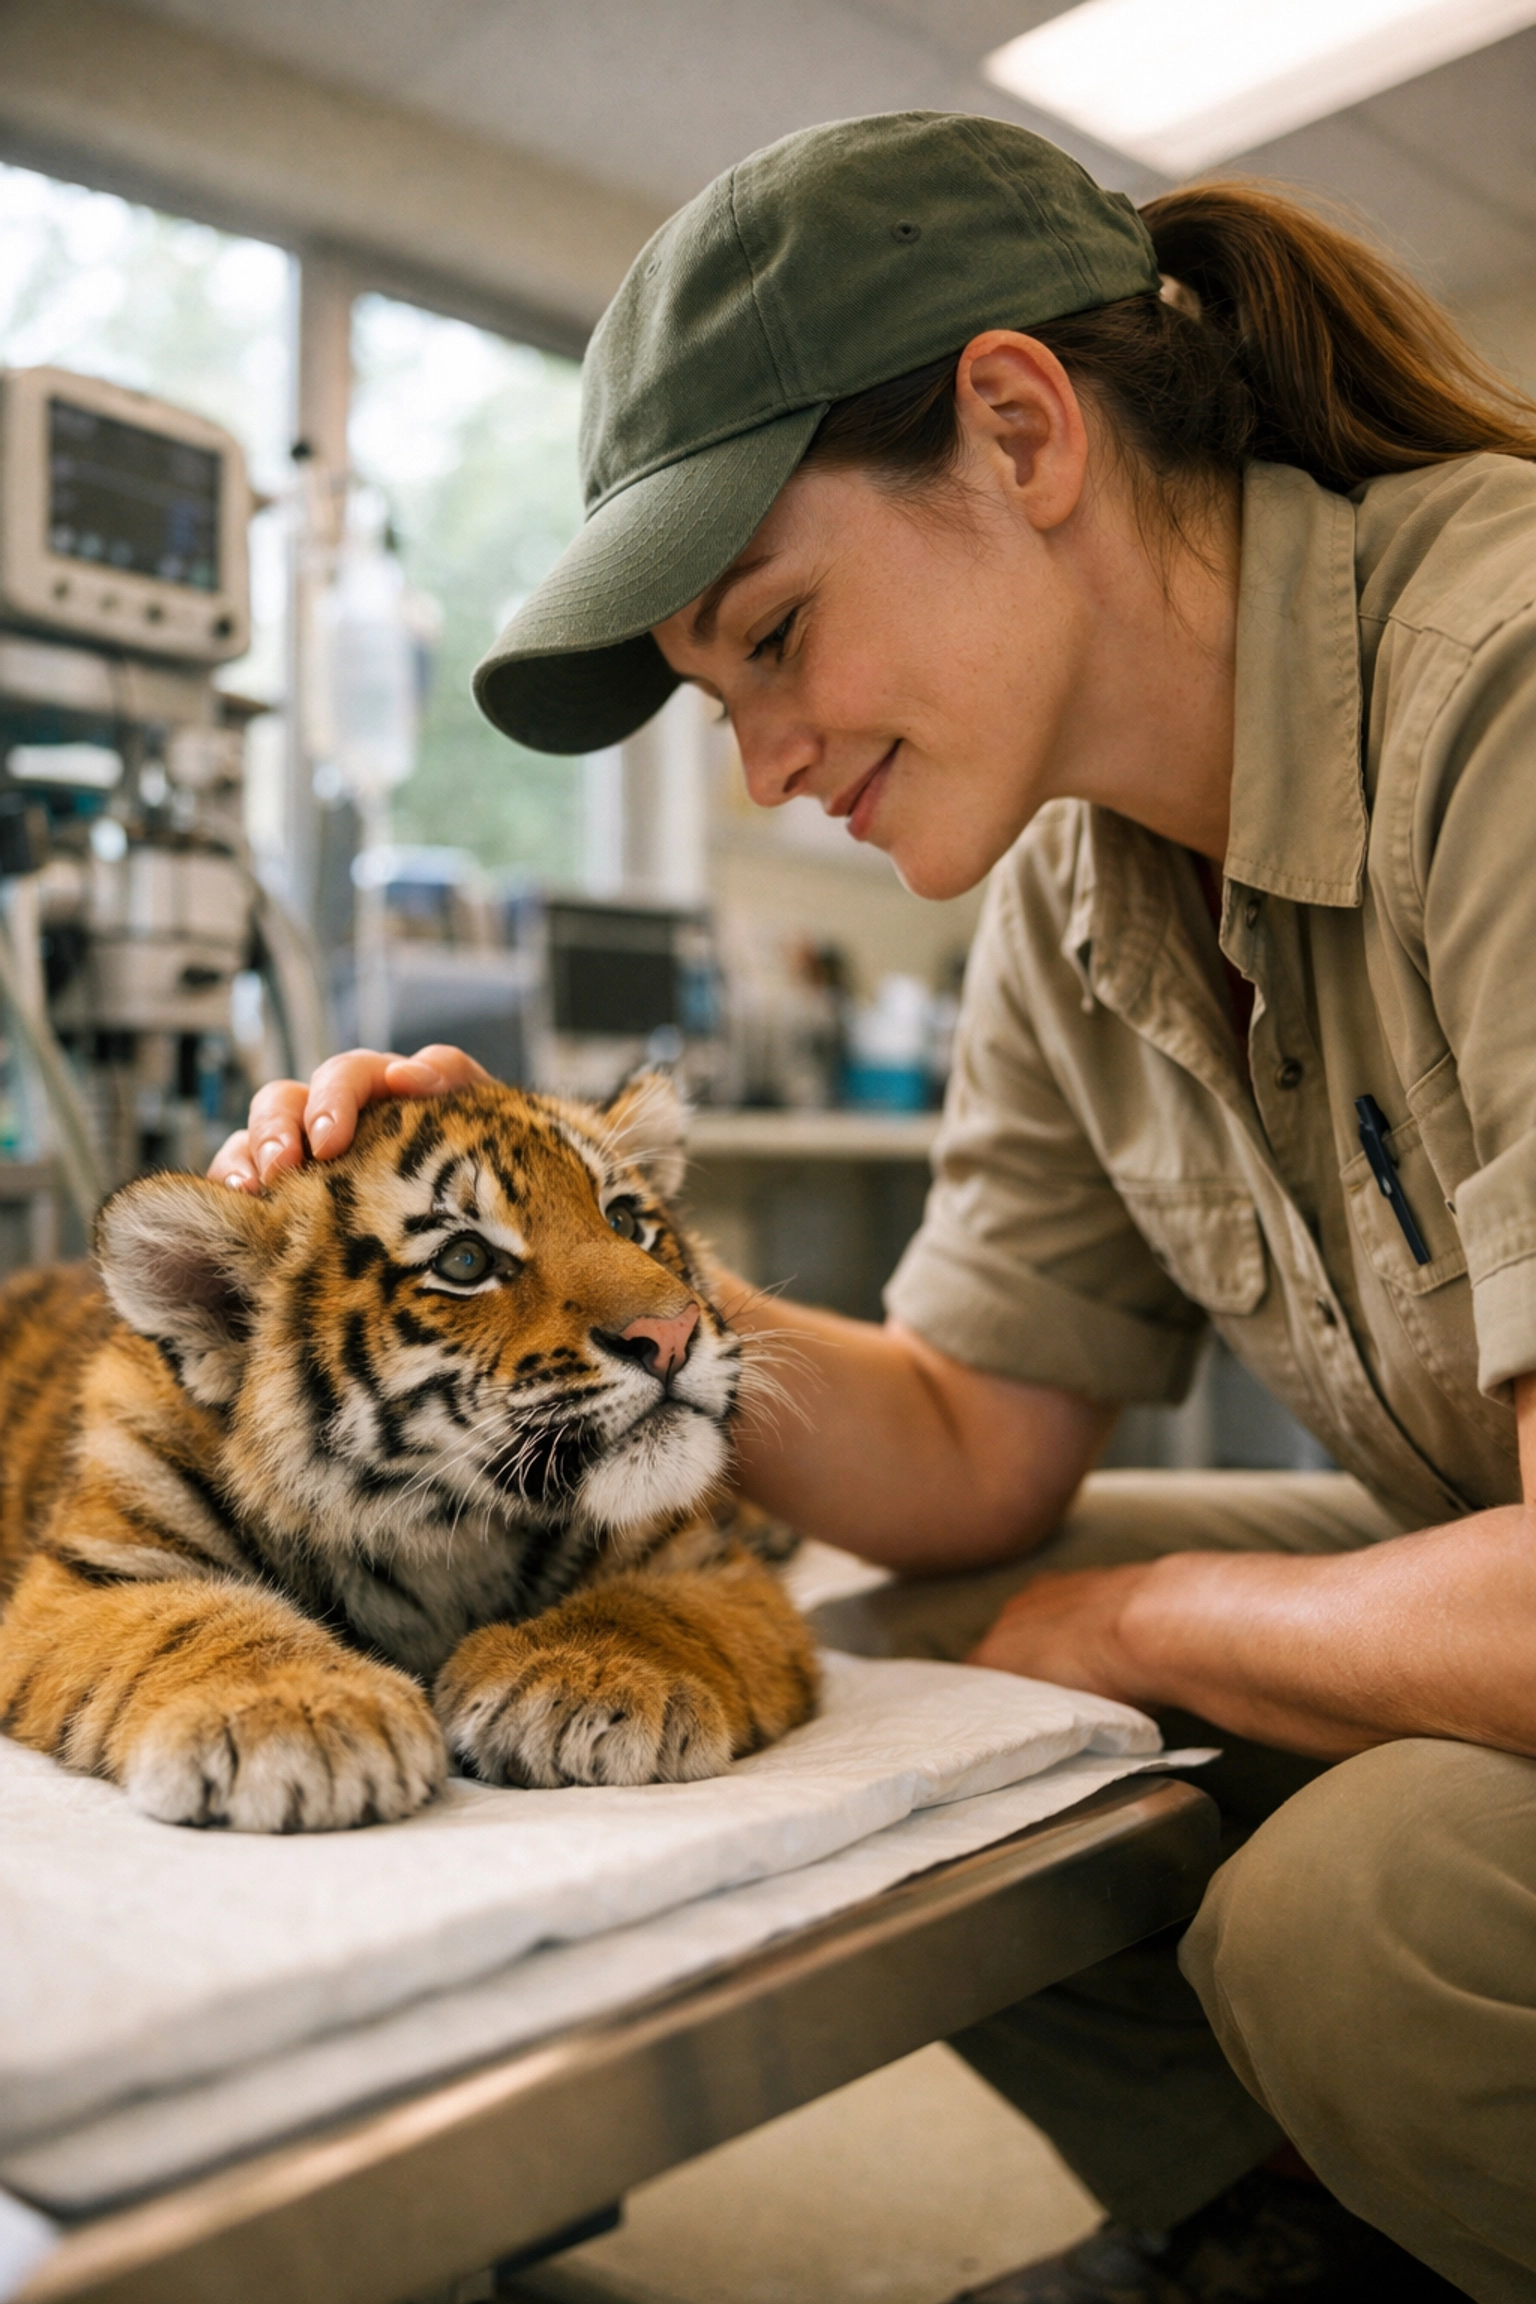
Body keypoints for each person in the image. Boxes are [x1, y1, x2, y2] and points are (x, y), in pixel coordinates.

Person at [214, 115, 1536, 2304]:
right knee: (880, 1685)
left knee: (1366, 1903)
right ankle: (1300, 2227)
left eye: (781, 633)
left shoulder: (1499, 678)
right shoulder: (1082, 878)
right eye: (722, 700)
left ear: (1020, 428)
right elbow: (971, 1449)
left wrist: (1138, 1630)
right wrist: (566, 1270)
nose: (764, 768)